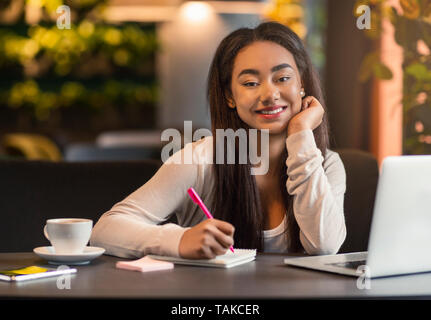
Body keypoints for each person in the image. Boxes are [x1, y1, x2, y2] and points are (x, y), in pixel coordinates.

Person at [90, 21, 346, 259]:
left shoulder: (328, 164)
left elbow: (324, 245)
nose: (269, 94)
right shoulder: (199, 161)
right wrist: (180, 240)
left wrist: (301, 133)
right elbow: (106, 229)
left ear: (302, 85)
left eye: (283, 78)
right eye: (250, 83)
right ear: (229, 97)